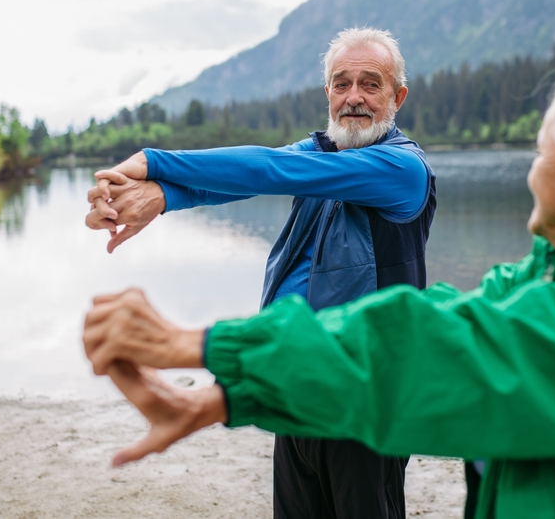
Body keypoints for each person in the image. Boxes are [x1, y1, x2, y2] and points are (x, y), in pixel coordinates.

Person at [84, 66, 555, 518]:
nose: (529, 173)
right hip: (318, 393)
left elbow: (431, 349)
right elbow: (445, 315)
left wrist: (194, 343)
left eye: (541, 153)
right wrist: (230, 395)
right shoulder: (551, 281)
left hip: (349, 398)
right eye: (339, 82)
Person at [85, 27, 437, 519]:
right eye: (341, 83)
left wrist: (152, 162)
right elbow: (238, 180)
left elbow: (269, 169)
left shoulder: (402, 169)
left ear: (397, 96)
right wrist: (160, 198)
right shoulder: (321, 154)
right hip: (294, 391)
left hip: (364, 404)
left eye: (370, 84)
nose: (353, 97)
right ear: (328, 94)